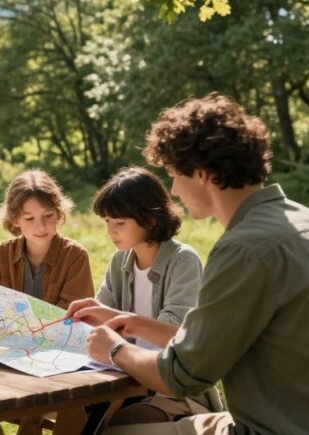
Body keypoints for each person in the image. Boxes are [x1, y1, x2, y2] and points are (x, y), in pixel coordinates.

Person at [73, 94, 309, 434]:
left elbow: (180, 376)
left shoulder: (244, 248)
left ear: (202, 174)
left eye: (174, 174)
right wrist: (135, 323)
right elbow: (205, 341)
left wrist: (115, 350)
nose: (173, 189)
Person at [69, 166, 215, 428]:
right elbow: (103, 317)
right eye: (107, 222)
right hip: (120, 379)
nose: (111, 231)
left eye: (120, 223)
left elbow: (175, 333)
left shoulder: (183, 260)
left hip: (170, 388)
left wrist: (112, 319)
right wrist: (90, 316)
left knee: (121, 423)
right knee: (74, 417)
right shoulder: (119, 260)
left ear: (150, 220)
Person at [0, 170, 94, 317]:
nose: (41, 226)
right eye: (30, 218)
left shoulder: (75, 256)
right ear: (14, 219)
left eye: (48, 215)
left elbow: (77, 316)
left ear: (59, 213)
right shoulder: (2, 254)